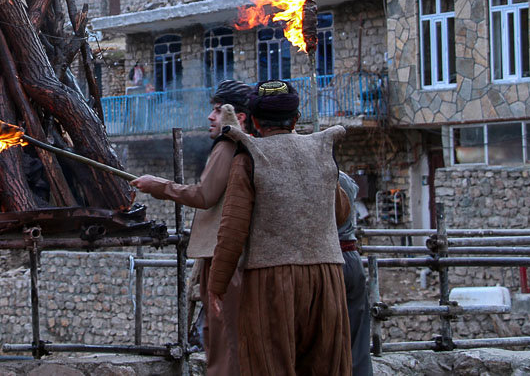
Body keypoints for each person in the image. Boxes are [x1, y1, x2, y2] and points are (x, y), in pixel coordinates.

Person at [208, 81, 353, 376]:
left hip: (270, 279)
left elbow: (232, 230)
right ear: (296, 119)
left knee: (268, 364)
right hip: (327, 278)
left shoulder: (249, 156)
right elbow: (340, 212)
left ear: (257, 122)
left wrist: (216, 285)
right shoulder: (320, 151)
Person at [131, 80, 253, 376]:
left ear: (240, 118)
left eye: (216, 111)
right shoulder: (250, 147)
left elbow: (204, 195)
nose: (210, 117)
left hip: (223, 257)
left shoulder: (229, 146)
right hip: (238, 256)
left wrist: (158, 186)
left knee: (223, 339)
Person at [338, 171, 373, 376]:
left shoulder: (321, 176)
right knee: (358, 336)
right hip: (352, 256)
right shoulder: (345, 179)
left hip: (333, 259)